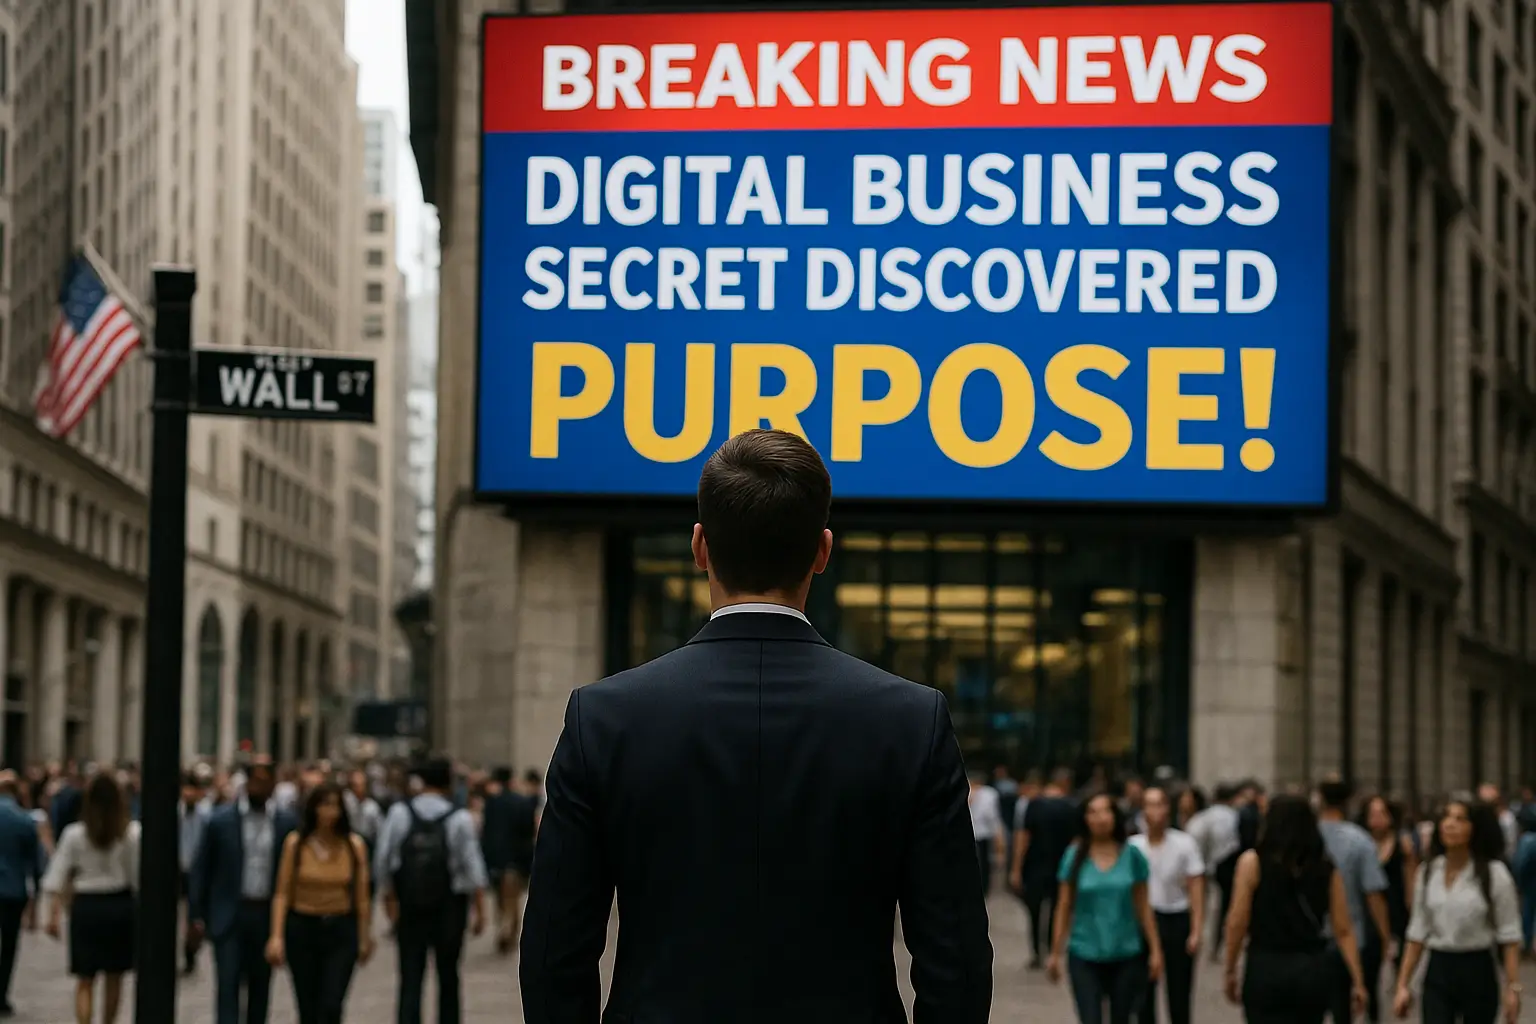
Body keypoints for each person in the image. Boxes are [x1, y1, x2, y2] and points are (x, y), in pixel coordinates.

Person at [519, 430, 993, 1023]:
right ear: (822, 551)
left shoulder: (606, 718)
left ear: (700, 546)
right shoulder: (911, 720)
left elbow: (553, 955)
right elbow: (958, 962)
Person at [1221, 794, 1367, 1024]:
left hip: (1266, 965)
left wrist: (1230, 968)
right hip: (1311, 969)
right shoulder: (1326, 868)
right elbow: (1343, 929)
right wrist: (1358, 981)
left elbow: (1237, 921)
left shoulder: (1252, 863)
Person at [373, 756, 488, 1024]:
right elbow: (473, 868)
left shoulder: (400, 813)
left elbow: (383, 860)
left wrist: (389, 900)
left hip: (410, 905)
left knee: (411, 976)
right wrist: (480, 910)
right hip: (450, 907)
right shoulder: (459, 817)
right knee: (448, 976)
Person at [1393, 799, 1524, 1024]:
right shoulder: (1428, 872)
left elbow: (1509, 934)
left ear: (1475, 827)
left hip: (1477, 968)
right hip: (1439, 968)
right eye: (1446, 818)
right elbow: (1417, 932)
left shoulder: (1494, 874)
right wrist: (1403, 984)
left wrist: (1513, 988)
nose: (1450, 825)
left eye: (1460, 819)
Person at [190, 759, 299, 1024]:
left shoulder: (287, 823)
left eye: (264, 781)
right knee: (227, 986)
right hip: (229, 915)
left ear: (273, 784)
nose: (258, 787)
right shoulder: (220, 820)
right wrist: (196, 914)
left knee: (260, 990)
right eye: (254, 781)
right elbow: (202, 869)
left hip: (265, 915)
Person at [1045, 793, 1162, 1024]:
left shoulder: (1132, 856)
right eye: (1093, 812)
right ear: (1085, 819)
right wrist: (1055, 952)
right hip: (1084, 952)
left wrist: (1156, 950)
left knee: (1122, 1018)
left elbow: (1143, 906)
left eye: (1106, 811)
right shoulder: (1074, 857)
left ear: (1115, 816)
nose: (1100, 818)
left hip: (1125, 953)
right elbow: (1063, 907)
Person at [267, 782, 372, 1024]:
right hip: (303, 927)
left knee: (332, 1003)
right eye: (324, 805)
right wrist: (276, 936)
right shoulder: (296, 844)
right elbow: (282, 892)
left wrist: (364, 937)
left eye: (335, 806)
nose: (329, 812)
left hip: (340, 929)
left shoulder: (353, 846)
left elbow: (362, 896)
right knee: (308, 1004)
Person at [42, 772, 140, 1024]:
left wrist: (52, 915)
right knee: (114, 977)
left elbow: (57, 876)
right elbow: (137, 877)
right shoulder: (130, 834)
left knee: (85, 978)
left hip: (86, 907)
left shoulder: (75, 834)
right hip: (119, 905)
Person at [1315, 780, 1391, 1023]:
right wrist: (1386, 935)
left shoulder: (1309, 836)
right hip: (1353, 937)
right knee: (1355, 1002)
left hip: (1313, 935)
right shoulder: (1359, 840)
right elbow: (1373, 894)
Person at [1131, 785, 1204, 1024]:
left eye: (1160, 804)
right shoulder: (1133, 846)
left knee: (1179, 992)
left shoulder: (1184, 843)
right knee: (1143, 994)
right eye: (1149, 805)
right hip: (1142, 921)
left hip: (1176, 918)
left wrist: (1196, 929)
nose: (1155, 811)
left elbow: (1195, 886)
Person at [1011, 768, 1077, 969]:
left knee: (1035, 910)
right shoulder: (1071, 807)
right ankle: (1050, 945)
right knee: (1057, 907)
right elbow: (1076, 841)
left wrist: (1015, 868)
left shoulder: (1034, 805)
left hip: (1035, 865)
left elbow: (1023, 838)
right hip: (1061, 864)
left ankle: (1036, 951)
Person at [1359, 794, 1416, 1020]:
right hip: (1370, 914)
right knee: (1371, 967)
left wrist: (1413, 909)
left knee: (1399, 963)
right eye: (1372, 814)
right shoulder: (1361, 844)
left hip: (1397, 910)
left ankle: (1400, 1001)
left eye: (1382, 813)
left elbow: (1410, 877)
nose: (1377, 819)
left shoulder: (1402, 843)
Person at [0, 772, 41, 1016]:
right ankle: (1, 994)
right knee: (8, 946)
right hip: (12, 891)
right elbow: (33, 864)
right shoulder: (24, 820)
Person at [1186, 783, 1242, 962]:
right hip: (1226, 867)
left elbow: (1192, 839)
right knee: (1221, 907)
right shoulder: (1234, 816)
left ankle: (1199, 936)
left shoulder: (1202, 818)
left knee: (1203, 904)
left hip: (1202, 867)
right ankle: (1216, 944)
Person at [969, 771, 1006, 893]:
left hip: (981, 836)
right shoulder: (988, 794)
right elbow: (994, 820)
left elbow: (993, 819)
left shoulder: (988, 794)